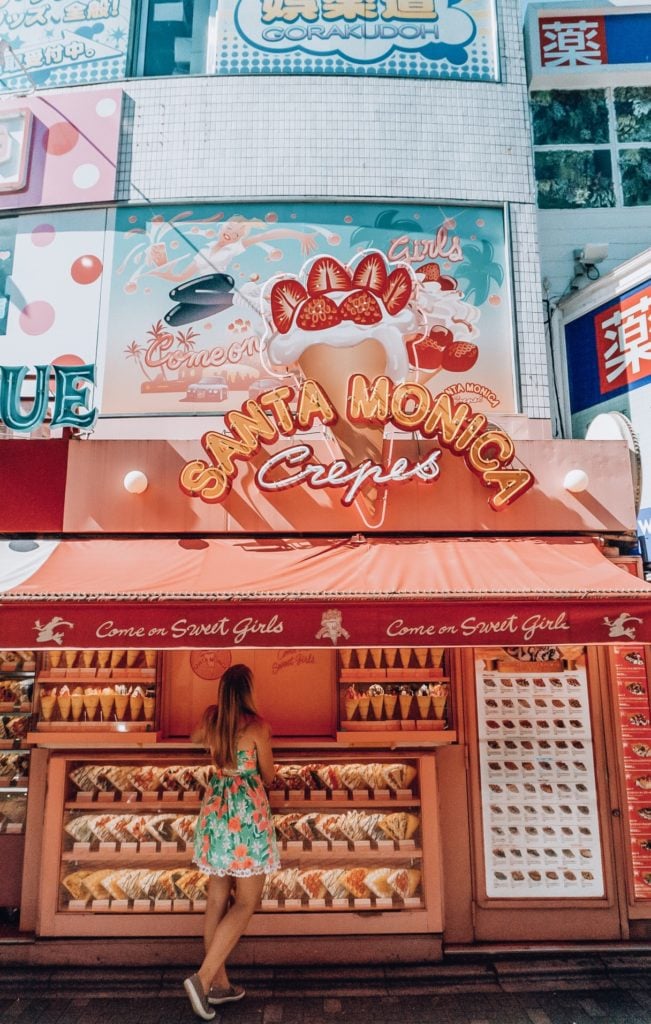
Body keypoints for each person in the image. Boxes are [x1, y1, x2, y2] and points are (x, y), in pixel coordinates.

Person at [183, 664, 280, 1021]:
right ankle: (203, 978)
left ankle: (219, 985)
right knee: (247, 900)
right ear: (248, 691)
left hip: (216, 808)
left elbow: (195, 740)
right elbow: (268, 774)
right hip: (247, 815)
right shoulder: (257, 726)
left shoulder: (211, 719)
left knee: (217, 899)